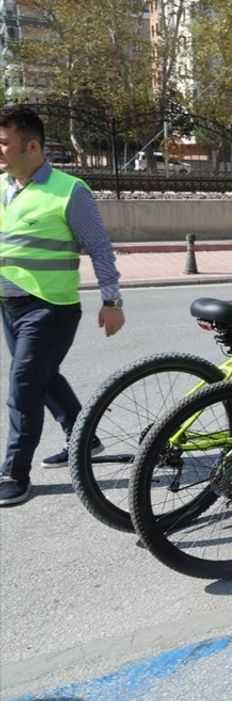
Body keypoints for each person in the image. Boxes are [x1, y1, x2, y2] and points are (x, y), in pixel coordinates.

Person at [0, 105, 125, 506]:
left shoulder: (70, 191)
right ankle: (84, 439)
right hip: (10, 305)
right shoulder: (5, 188)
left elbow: (100, 247)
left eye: (4, 143)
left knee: (24, 387)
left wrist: (112, 299)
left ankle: (15, 475)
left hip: (49, 308)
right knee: (44, 376)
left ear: (31, 146)